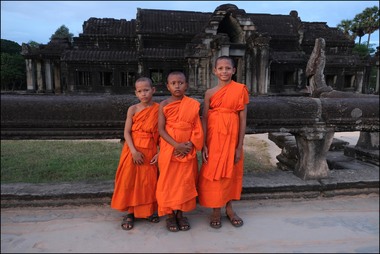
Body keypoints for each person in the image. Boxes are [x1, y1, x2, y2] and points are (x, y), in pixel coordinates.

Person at [198, 55, 249, 229]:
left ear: (233, 71)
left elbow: (243, 119)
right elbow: (204, 118)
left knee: (230, 173)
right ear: (214, 71)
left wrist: (239, 146)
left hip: (232, 137)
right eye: (220, 68)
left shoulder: (240, 89)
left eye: (228, 68)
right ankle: (215, 209)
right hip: (213, 138)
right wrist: (203, 144)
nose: (224, 71)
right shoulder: (210, 93)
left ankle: (229, 208)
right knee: (213, 172)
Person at [156, 71, 204, 232]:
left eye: (181, 82)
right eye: (173, 83)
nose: (177, 85)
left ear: (186, 85)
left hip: (187, 149)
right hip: (170, 149)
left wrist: (189, 144)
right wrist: (177, 145)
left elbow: (197, 127)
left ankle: (180, 214)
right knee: (169, 182)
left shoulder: (192, 104)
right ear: (168, 86)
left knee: (185, 181)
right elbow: (161, 130)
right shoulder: (163, 104)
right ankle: (170, 215)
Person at [111, 77, 160, 230]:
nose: (143, 94)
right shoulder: (132, 109)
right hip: (132, 149)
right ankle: (130, 212)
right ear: (136, 93)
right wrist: (133, 151)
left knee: (148, 181)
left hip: (150, 149)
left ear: (153, 90)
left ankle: (148, 211)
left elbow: (162, 132)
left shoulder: (159, 109)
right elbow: (126, 132)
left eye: (146, 90)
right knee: (129, 180)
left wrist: (160, 152)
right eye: (140, 91)